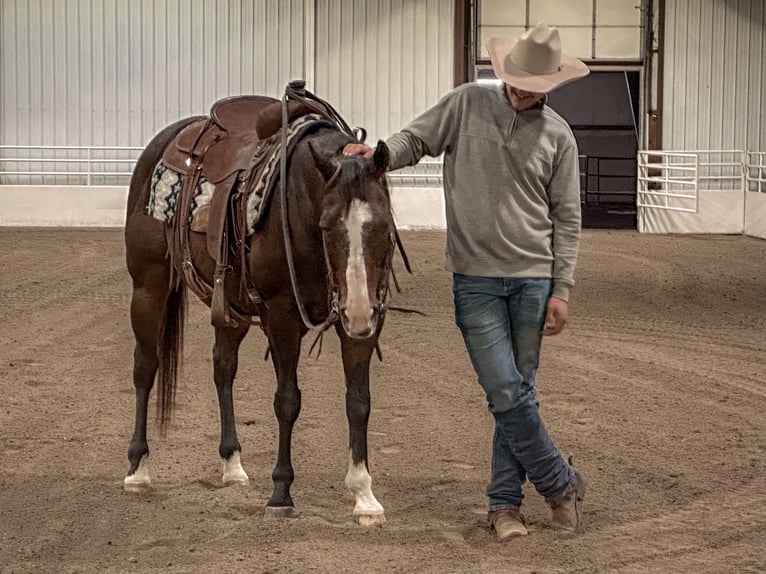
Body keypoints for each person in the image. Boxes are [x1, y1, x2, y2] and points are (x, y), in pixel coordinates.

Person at [344, 23, 588, 540]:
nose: (525, 90)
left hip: (533, 280)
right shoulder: (466, 104)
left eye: (535, 84)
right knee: (504, 388)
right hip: (475, 278)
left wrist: (561, 289)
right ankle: (560, 482)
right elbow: (417, 139)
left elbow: (567, 219)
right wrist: (381, 155)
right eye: (519, 79)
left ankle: (503, 507)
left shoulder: (559, 136)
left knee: (515, 393)